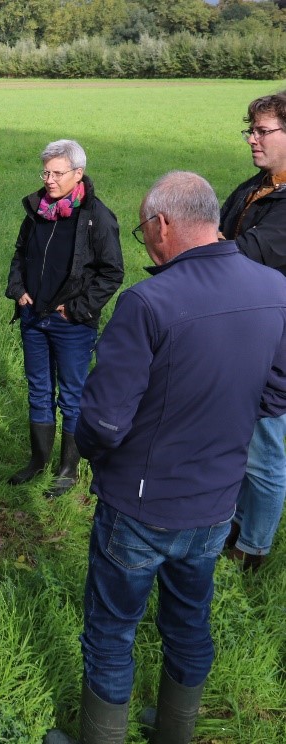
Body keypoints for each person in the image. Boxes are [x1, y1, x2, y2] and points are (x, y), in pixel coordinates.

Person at [44, 172, 286, 744]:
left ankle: (99, 736)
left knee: (111, 630)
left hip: (140, 503)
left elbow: (102, 422)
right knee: (188, 620)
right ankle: (175, 731)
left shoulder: (148, 301)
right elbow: (277, 391)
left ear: (162, 225)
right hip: (216, 501)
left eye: (143, 231)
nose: (146, 243)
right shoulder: (275, 289)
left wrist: (103, 463)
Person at [5, 139, 123, 498]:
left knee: (71, 396)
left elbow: (112, 272)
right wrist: (18, 288)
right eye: (46, 172)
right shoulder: (37, 210)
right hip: (33, 317)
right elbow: (20, 254)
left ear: (78, 174)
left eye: (57, 173)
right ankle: (38, 462)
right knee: (38, 390)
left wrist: (77, 309)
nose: (50, 180)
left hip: (72, 324)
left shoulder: (97, 217)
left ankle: (68, 469)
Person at [218, 90, 286, 572]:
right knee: (240, 439)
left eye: (263, 131)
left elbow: (244, 252)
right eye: (250, 129)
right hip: (242, 331)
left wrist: (217, 246)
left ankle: (253, 548)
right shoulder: (252, 188)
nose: (252, 139)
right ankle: (237, 523)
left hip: (277, 343)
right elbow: (222, 240)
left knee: (265, 447)